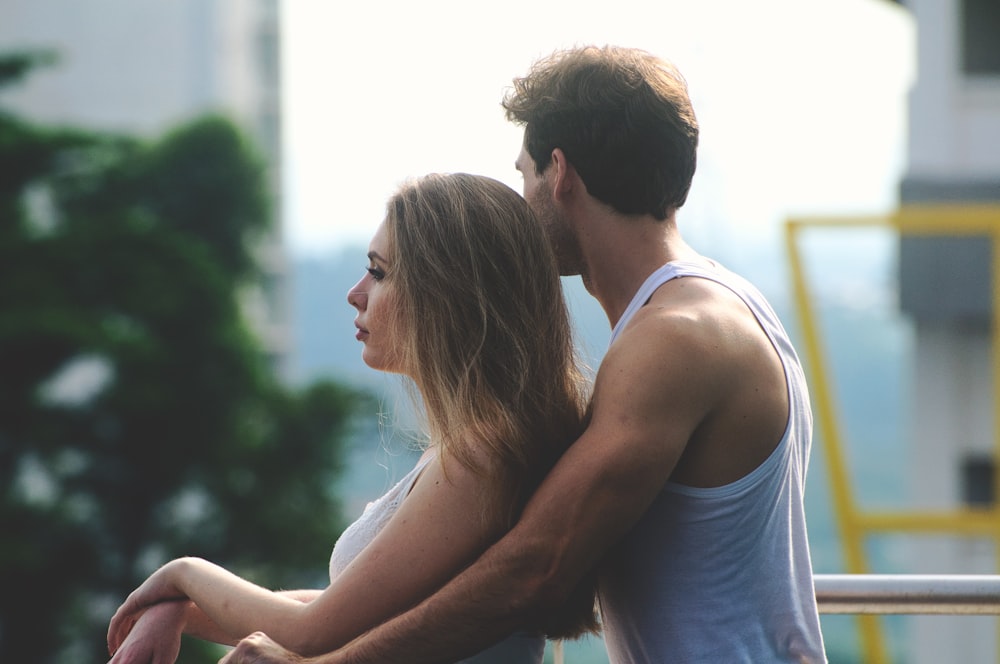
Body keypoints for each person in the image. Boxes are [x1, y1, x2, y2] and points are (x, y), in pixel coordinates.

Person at [221, 44, 829, 664]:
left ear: (558, 173)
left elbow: (535, 568)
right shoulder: (718, 305)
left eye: (523, 174)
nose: (519, 200)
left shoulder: (677, 337)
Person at [105, 173, 599, 664]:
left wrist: (182, 573)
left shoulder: (483, 454)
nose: (355, 293)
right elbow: (342, 612)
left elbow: (311, 634)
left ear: (444, 295)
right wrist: (179, 608)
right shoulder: (472, 448)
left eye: (379, 273)